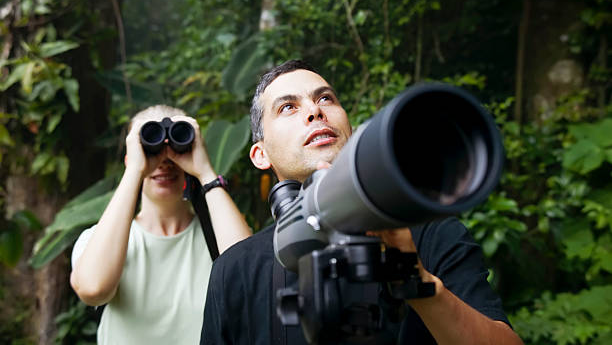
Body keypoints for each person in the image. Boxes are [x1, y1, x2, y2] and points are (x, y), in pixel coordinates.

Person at [200, 60, 524, 345]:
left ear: (350, 127)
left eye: (325, 98)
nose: (315, 111)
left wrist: (419, 285)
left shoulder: (428, 235)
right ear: (261, 154)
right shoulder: (235, 270)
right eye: (288, 107)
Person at [70, 105, 252, 345]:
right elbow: (93, 289)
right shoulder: (100, 240)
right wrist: (135, 170)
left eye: (175, 147)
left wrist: (205, 171)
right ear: (130, 157)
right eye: (150, 148)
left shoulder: (220, 235)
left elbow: (250, 278)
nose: (164, 162)